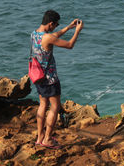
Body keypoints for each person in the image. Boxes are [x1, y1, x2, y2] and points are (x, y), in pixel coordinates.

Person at [31, 10, 84, 148]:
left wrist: (69, 27)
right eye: (55, 25)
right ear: (50, 23)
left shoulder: (35, 34)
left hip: (38, 77)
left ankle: (39, 137)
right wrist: (77, 31)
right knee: (54, 107)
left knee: (43, 105)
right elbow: (69, 45)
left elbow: (53, 36)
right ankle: (47, 139)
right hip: (50, 79)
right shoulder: (48, 38)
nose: (55, 27)